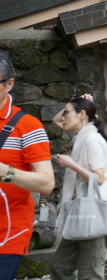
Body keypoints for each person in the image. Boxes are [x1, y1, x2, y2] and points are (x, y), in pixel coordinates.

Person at [0, 52, 54, 280]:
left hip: (8, 234)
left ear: (9, 84)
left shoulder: (28, 126)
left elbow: (47, 183)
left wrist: (5, 172)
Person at [49, 95, 107, 280]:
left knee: (90, 274)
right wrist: (73, 101)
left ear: (82, 115)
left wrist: (72, 164)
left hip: (94, 208)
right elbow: (56, 120)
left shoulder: (91, 139)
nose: (63, 117)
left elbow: (99, 179)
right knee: (59, 267)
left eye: (67, 113)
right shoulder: (80, 136)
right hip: (80, 208)